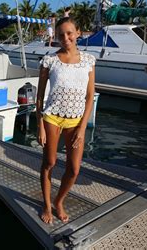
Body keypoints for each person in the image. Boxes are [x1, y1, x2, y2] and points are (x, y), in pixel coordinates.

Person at [36, 17, 95, 224]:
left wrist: (82, 128)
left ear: (78, 32)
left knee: (74, 169)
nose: (66, 38)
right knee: (50, 162)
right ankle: (46, 204)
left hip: (76, 121)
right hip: (52, 117)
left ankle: (59, 201)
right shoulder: (50, 60)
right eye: (61, 35)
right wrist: (40, 125)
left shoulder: (88, 61)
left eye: (69, 33)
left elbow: (90, 97)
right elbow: (40, 97)